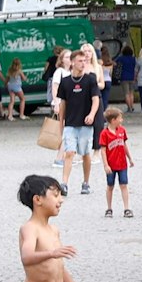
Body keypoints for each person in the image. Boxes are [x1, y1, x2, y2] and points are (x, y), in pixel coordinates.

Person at [52, 49, 102, 195]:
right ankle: (64, 183)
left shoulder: (90, 80)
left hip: (85, 123)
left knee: (85, 154)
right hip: (70, 123)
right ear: (72, 62)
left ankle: (86, 182)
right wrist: (61, 122)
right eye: (80, 61)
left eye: (85, 61)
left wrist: (92, 114)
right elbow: (63, 104)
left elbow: (96, 99)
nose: (83, 63)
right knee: (69, 152)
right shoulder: (65, 82)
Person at [98, 109, 134, 218]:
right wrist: (105, 165)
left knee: (124, 185)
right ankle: (109, 208)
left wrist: (130, 158)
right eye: (120, 118)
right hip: (111, 165)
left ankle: (126, 208)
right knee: (110, 186)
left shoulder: (122, 130)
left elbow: (124, 145)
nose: (121, 120)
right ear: (113, 120)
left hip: (122, 164)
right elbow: (103, 150)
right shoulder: (105, 133)